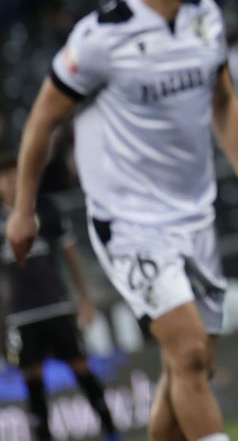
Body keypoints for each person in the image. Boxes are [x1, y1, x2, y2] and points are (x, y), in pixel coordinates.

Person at [4, 0, 238, 441]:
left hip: (193, 213)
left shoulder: (206, 17)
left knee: (187, 364)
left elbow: (224, 102)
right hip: (128, 222)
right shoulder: (102, 37)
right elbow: (42, 119)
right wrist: (24, 208)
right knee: (190, 351)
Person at [0, 153, 121, 441]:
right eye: (5, 176)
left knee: (82, 369)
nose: (11, 181)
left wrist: (85, 299)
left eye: (16, 173)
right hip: (20, 314)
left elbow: (71, 256)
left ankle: (112, 432)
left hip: (56, 305)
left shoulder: (44, 208)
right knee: (33, 381)